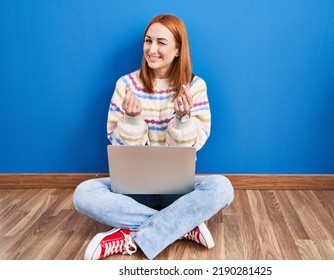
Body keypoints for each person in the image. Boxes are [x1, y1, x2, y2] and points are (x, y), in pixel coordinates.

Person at [73, 14, 234, 260]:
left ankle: (129, 235)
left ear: (178, 49)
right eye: (148, 41)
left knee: (222, 187)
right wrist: (132, 120)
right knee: (83, 193)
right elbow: (118, 145)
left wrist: (182, 120)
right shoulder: (125, 84)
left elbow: (194, 145)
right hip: (133, 190)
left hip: (178, 191)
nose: (152, 49)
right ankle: (181, 226)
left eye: (161, 42)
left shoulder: (195, 86)